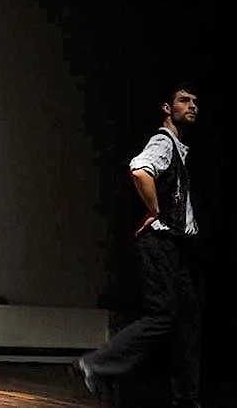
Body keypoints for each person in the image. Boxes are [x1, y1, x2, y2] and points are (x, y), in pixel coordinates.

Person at [76, 81, 203, 408]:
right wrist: (155, 210)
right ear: (167, 108)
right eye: (184, 100)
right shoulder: (163, 141)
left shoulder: (178, 148)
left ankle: (186, 397)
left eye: (195, 101)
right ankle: (97, 364)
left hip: (175, 245)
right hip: (159, 240)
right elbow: (140, 170)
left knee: (187, 319)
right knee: (163, 314)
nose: (192, 106)